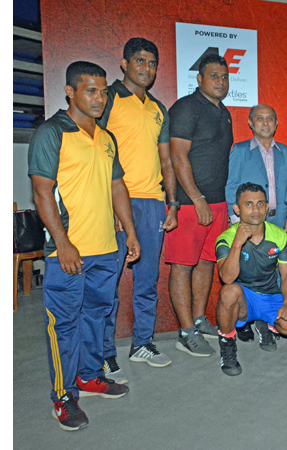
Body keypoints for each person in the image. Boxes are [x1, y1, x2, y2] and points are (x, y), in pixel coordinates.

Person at [28, 61, 138, 430]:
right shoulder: (52, 132)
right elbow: (42, 192)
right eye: (90, 90)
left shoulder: (106, 138)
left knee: (96, 316)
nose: (99, 98)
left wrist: (130, 232)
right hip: (68, 251)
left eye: (103, 91)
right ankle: (63, 396)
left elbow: (117, 186)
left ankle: (90, 376)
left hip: (106, 248)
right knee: (64, 324)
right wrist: (63, 243)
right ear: (70, 92)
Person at [97, 38, 177, 382]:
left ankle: (142, 343)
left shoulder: (158, 109)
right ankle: (103, 354)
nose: (146, 68)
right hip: (117, 201)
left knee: (147, 280)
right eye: (140, 61)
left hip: (153, 203)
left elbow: (166, 160)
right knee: (107, 282)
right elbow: (95, 150)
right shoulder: (109, 98)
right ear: (125, 64)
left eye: (152, 63)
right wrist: (109, 203)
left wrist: (171, 203)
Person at [165, 54, 234, 357]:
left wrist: (215, 202)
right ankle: (185, 332)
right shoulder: (186, 107)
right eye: (214, 76)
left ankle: (197, 318)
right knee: (182, 266)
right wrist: (196, 198)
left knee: (207, 263)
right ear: (200, 79)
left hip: (217, 203)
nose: (220, 82)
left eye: (224, 77)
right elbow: (177, 156)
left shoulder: (224, 112)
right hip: (190, 204)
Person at [214, 183, 287, 376]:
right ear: (237, 209)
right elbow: (227, 277)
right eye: (248, 204)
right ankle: (227, 345)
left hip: (271, 295)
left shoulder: (279, 235)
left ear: (267, 207)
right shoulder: (226, 238)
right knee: (229, 291)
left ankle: (265, 323)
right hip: (244, 299)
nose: (255, 209)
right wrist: (238, 243)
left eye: (260, 204)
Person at [225, 104, 287, 341]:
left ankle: (269, 321)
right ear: (250, 123)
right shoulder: (240, 150)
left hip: (279, 219)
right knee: (247, 267)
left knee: (276, 271)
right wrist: (237, 223)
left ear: (276, 123)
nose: (265, 123)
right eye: (260, 118)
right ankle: (245, 318)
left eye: (270, 118)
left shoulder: (286, 152)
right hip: (250, 221)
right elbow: (231, 186)